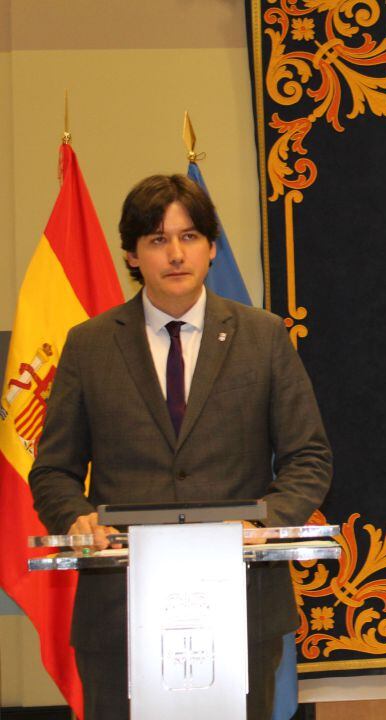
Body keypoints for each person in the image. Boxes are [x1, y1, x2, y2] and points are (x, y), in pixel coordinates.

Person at [29, 174, 332, 720]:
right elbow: (53, 469)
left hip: (241, 605)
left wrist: (264, 522)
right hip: (119, 611)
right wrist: (75, 516)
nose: (175, 254)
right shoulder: (90, 344)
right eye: (157, 240)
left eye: (189, 237)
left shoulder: (262, 336)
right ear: (131, 255)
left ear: (212, 249)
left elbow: (308, 457)